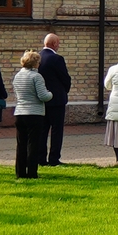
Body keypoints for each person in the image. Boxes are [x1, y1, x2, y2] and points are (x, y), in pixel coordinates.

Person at [10, 49, 50, 179]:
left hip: (20, 112)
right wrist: (51, 94)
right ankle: (32, 172)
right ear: (35, 63)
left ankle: (20, 172)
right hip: (34, 113)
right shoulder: (36, 76)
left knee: (21, 144)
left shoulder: (18, 76)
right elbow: (43, 96)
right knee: (33, 144)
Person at [38, 33, 71, 166]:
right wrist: (64, 90)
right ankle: (54, 158)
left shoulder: (37, 57)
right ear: (53, 44)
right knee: (57, 130)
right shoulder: (57, 59)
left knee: (42, 130)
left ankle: (41, 158)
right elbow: (65, 78)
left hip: (41, 99)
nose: (59, 45)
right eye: (58, 43)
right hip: (57, 100)